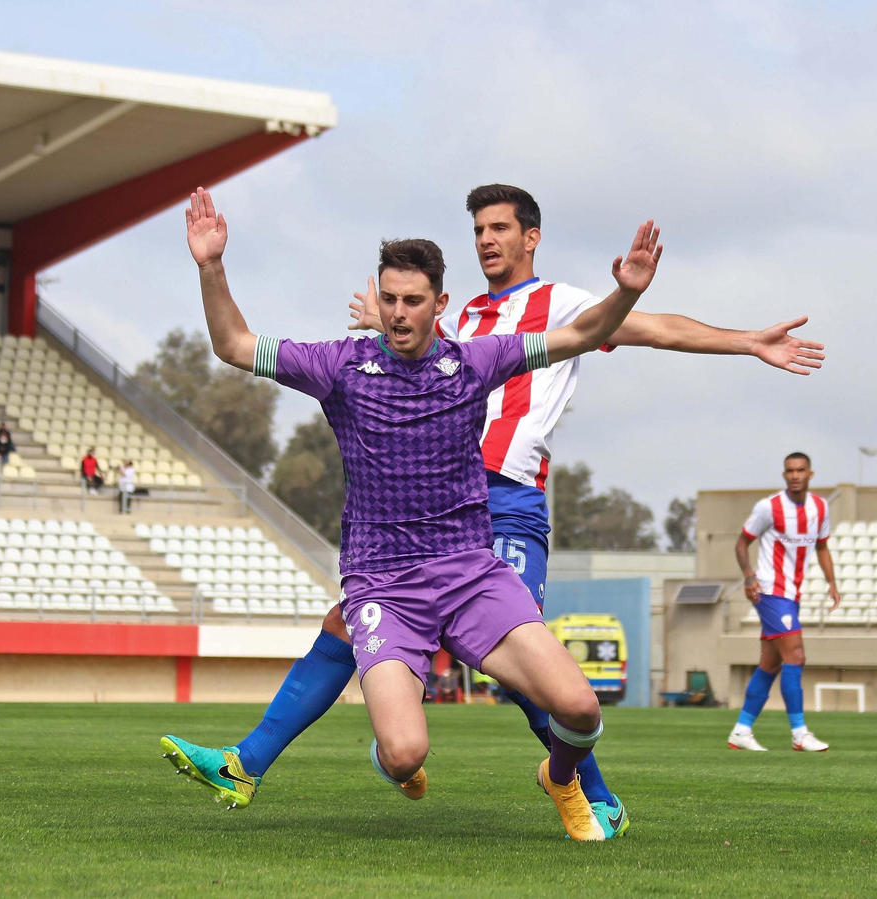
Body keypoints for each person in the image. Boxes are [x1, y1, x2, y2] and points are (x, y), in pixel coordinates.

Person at [227, 184, 826, 837]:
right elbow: (414, 362)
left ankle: (583, 787)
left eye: (500, 227)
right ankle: (357, 754)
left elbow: (651, 328)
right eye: (479, 228)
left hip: (507, 500)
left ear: (531, 236)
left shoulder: (558, 302)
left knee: (518, 664)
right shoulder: (459, 321)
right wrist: (383, 328)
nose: (486, 238)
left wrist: (745, 341)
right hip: (436, 512)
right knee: (350, 618)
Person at [160, 189, 654, 841]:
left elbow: (585, 331)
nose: (397, 313)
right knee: (403, 753)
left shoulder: (476, 361)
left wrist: (626, 293)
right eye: (389, 298)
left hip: (473, 576)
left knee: (582, 709)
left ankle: (561, 776)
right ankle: (303, 761)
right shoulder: (340, 366)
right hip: (384, 586)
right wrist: (211, 265)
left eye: (413, 300)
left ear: (440, 305)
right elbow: (232, 342)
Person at [728, 452, 841, 753]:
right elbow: (742, 543)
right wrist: (749, 576)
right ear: (784, 474)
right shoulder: (769, 507)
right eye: (790, 470)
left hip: (791, 595)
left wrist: (832, 582)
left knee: (771, 662)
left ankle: (741, 730)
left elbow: (822, 546)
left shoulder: (820, 507)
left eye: (800, 470)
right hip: (769, 591)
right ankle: (799, 733)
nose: (795, 475)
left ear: (810, 474)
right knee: (797, 657)